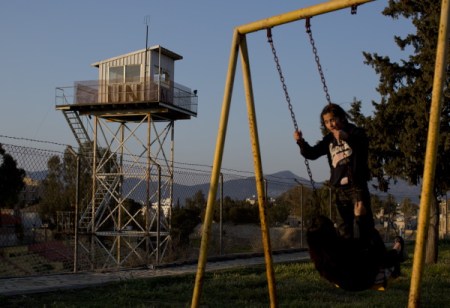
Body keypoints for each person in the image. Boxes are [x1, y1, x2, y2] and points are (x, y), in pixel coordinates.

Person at [293, 103, 373, 241]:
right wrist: (300, 141)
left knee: (364, 223)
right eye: (326, 122)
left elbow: (363, 144)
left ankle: (369, 255)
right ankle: (346, 258)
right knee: (343, 228)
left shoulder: (355, 132)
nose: (330, 124)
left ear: (341, 118)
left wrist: (346, 137)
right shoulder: (328, 140)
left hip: (357, 186)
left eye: (332, 119)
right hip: (340, 189)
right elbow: (312, 153)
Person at [306, 215, 404, 291]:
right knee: (374, 237)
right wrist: (360, 218)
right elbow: (371, 254)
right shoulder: (340, 250)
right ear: (330, 232)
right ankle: (398, 246)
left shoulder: (317, 253)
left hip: (344, 283)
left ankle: (397, 249)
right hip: (364, 280)